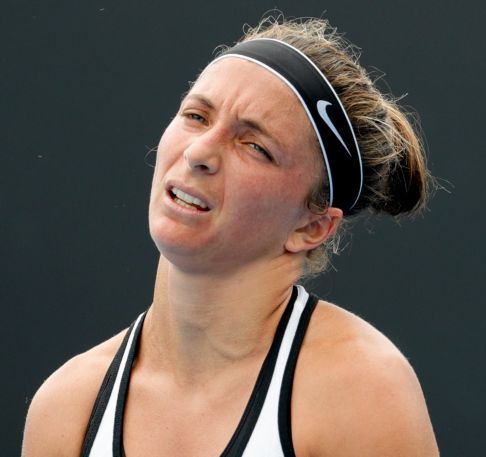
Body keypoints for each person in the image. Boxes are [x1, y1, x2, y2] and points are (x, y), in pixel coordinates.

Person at [22, 16, 439, 457]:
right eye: (196, 116)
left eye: (255, 147)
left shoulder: (359, 391)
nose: (198, 152)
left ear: (311, 227)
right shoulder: (68, 407)